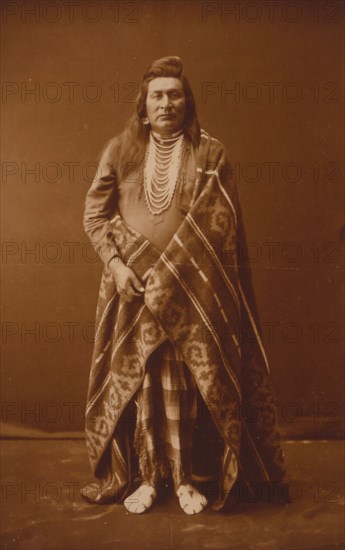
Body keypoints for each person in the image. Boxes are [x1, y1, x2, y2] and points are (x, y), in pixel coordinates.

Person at [81, 56, 286, 514]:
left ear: (187, 102)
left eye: (175, 94)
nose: (166, 103)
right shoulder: (119, 150)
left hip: (193, 294)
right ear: (144, 104)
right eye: (157, 95)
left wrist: (173, 272)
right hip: (132, 290)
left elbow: (221, 226)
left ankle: (190, 479)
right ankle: (148, 479)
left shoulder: (211, 154)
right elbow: (95, 216)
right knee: (145, 384)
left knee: (189, 384)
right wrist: (117, 266)